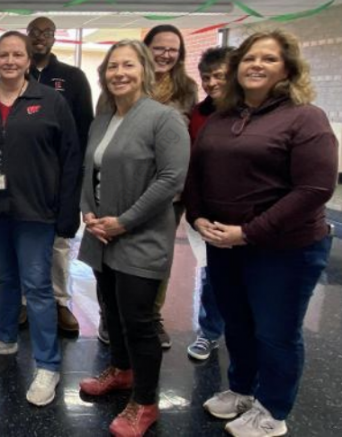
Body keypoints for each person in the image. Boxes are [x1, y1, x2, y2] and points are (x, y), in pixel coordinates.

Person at [185, 29, 337, 437]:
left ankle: (273, 411)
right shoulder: (222, 118)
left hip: (285, 249)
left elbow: (315, 189)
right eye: (250, 58)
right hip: (225, 244)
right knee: (237, 323)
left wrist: (249, 232)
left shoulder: (305, 118)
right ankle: (241, 390)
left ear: (287, 68)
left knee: (275, 333)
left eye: (268, 59)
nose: (256, 65)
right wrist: (196, 216)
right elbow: (197, 174)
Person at [76, 40, 189, 437]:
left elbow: (171, 180)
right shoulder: (103, 118)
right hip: (102, 235)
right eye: (112, 67)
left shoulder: (164, 119)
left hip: (139, 237)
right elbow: (90, 170)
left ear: (144, 70)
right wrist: (88, 213)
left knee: (139, 321)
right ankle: (121, 372)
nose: (119, 73)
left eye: (127, 65)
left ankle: (145, 402)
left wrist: (123, 222)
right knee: (111, 310)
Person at [0, 31, 81, 405]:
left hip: (36, 211)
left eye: (18, 54)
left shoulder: (50, 101)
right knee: (4, 278)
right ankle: (5, 337)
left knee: (38, 286)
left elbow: (70, 158)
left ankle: (48, 365)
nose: (10, 61)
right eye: (4, 55)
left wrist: (67, 212)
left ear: (29, 61)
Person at [26, 16, 94, 336]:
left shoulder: (73, 77)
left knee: (58, 245)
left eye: (47, 33)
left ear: (54, 38)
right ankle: (24, 303)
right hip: (22, 177)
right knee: (23, 242)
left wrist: (77, 182)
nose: (40, 38)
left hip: (59, 177)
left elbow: (84, 132)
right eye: (35, 33)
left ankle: (59, 302)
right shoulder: (15, 74)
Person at [138, 24, 199, 349]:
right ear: (145, 48)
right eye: (158, 47)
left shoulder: (186, 89)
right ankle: (113, 316)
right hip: (127, 186)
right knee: (116, 253)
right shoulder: (129, 80)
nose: (164, 54)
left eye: (171, 49)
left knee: (158, 257)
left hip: (166, 192)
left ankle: (151, 316)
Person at [184, 46, 233, 361]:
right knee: (212, 275)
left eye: (221, 76)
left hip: (254, 216)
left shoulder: (259, 113)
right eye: (207, 77)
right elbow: (191, 166)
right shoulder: (198, 116)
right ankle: (210, 333)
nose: (212, 83)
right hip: (210, 210)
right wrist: (196, 213)